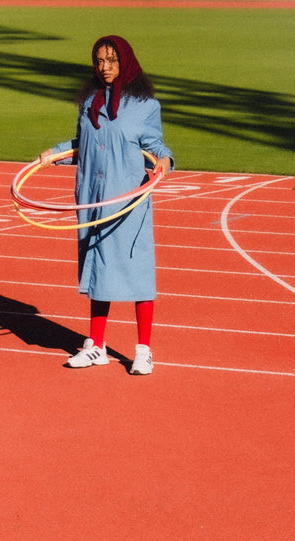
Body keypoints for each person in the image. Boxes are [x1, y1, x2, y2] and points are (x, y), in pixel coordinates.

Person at [39, 35, 174, 375]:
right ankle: (96, 346)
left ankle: (143, 350)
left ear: (125, 62)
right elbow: (82, 145)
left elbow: (156, 145)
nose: (105, 67)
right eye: (99, 61)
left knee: (137, 271)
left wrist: (164, 161)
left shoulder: (145, 105)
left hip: (127, 201)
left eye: (112, 60)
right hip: (92, 199)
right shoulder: (89, 102)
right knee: (98, 269)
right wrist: (55, 153)